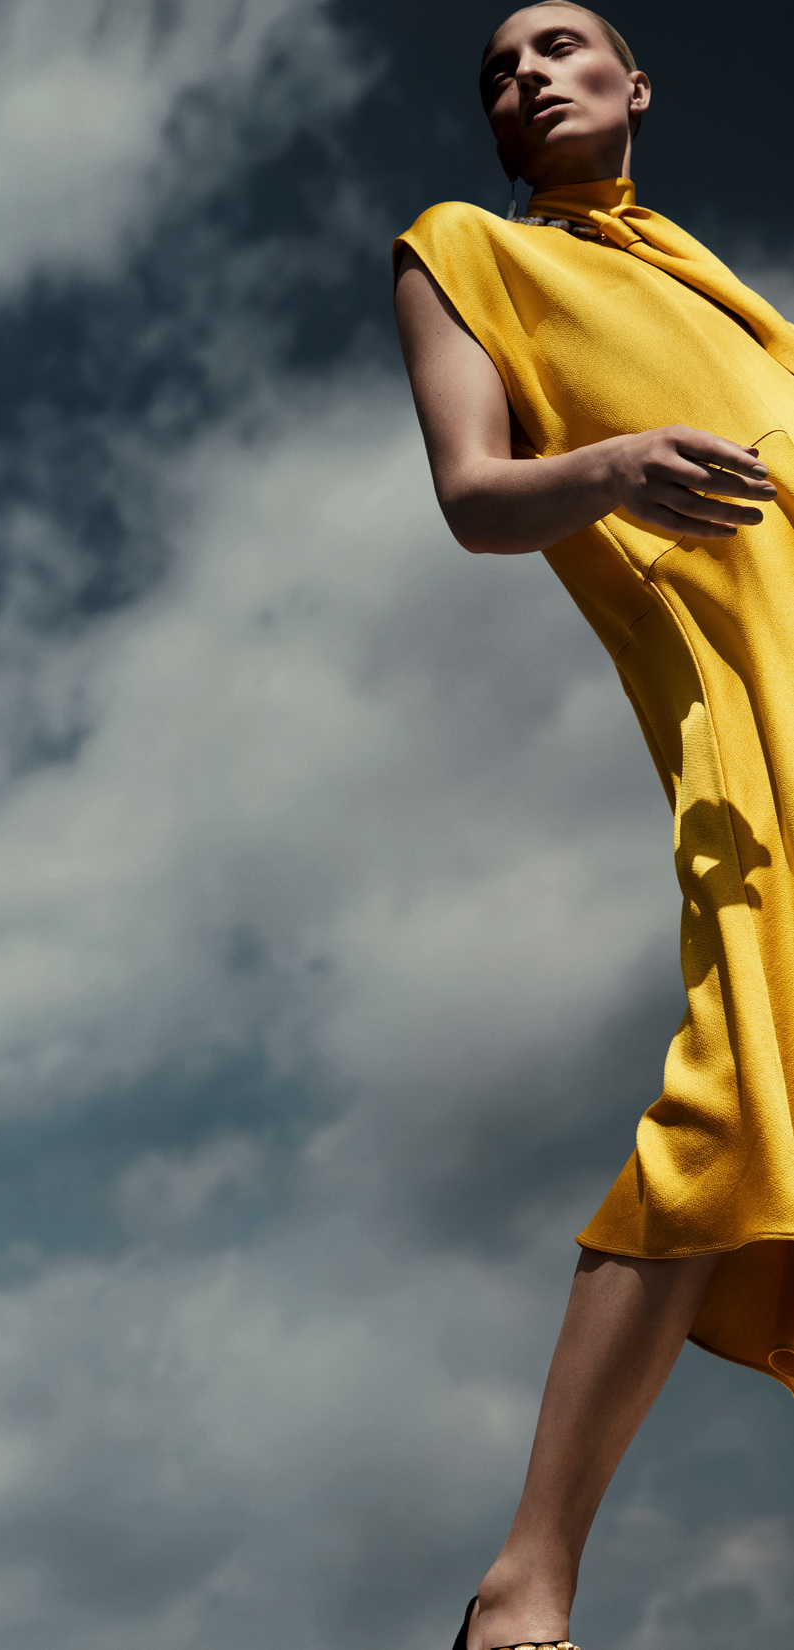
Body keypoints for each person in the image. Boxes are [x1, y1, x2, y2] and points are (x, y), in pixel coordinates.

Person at [393, 5, 794, 1648]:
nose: (523, 74)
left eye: (558, 47)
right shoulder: (467, 253)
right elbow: (472, 496)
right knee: (738, 1089)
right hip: (744, 727)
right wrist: (617, 465)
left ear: (634, 84)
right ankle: (526, 1576)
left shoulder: (741, 301)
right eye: (497, 68)